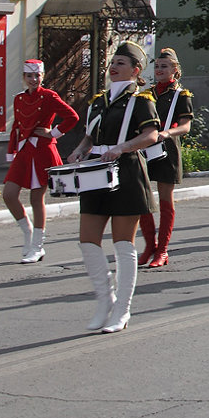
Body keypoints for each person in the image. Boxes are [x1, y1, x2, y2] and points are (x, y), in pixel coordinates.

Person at [68, 42, 160, 333]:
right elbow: (90, 138)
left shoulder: (141, 100)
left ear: (135, 70)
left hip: (127, 171)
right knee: (87, 240)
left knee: (123, 243)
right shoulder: (99, 100)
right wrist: (78, 151)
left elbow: (152, 134)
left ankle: (122, 308)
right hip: (96, 172)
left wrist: (123, 147)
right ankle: (104, 300)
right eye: (113, 61)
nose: (114, 66)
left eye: (121, 62)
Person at [3, 59, 79, 263]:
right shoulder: (19, 99)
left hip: (42, 151)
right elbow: (16, 128)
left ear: (42, 77)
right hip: (24, 150)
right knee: (9, 194)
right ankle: (27, 232)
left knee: (36, 199)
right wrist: (12, 151)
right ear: (24, 78)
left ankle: (37, 246)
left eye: (37, 76)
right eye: (29, 76)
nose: (33, 80)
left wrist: (53, 132)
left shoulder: (49, 96)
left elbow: (72, 117)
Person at [137, 48, 194, 268]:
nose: (160, 70)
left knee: (165, 202)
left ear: (175, 70)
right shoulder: (147, 93)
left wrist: (167, 133)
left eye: (164, 66)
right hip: (145, 148)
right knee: (143, 200)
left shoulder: (181, 95)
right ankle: (149, 246)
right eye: (157, 66)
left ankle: (162, 250)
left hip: (167, 149)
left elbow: (186, 126)